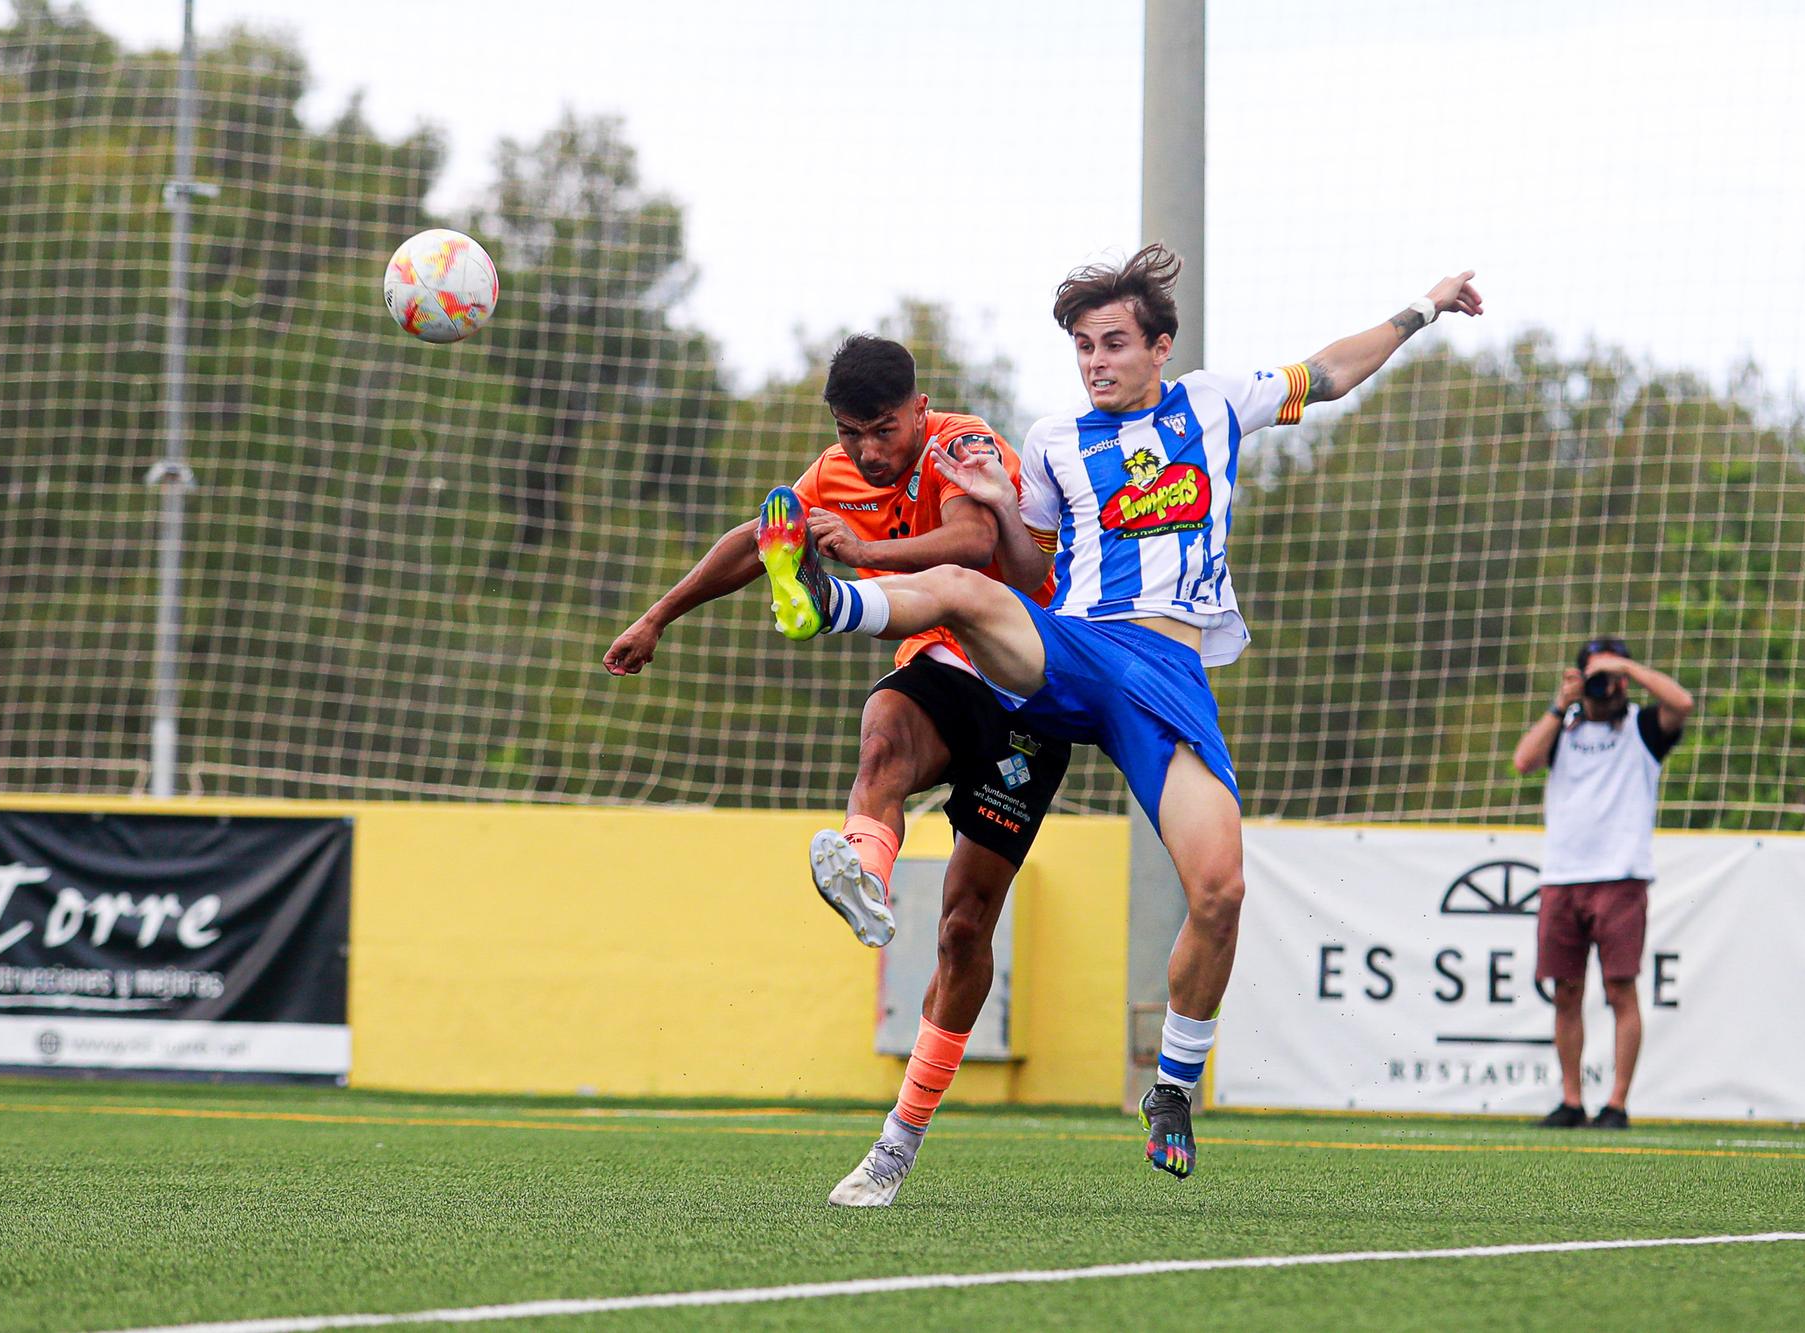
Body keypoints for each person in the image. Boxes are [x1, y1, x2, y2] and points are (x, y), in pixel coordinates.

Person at [756, 244, 1482, 1189]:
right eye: (1082, 349)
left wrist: (1422, 308)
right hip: (1075, 650)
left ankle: (1172, 1086)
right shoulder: (1057, 440)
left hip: (1167, 678)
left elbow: (1332, 372)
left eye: (1111, 344)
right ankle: (829, 606)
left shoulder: (1217, 403)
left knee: (1219, 891)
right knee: (965, 595)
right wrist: (996, 507)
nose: (1094, 362)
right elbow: (1022, 570)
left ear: (1159, 348)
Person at [604, 335, 1073, 1205]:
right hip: (938, 661)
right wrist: (658, 617)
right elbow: (759, 537)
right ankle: (864, 869)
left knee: (967, 930)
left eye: (882, 429)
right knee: (883, 735)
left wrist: (857, 552)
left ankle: (901, 1139)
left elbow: (977, 540)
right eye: (851, 431)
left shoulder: (962, 444)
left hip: (1024, 680)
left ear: (918, 407)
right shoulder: (835, 469)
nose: (866, 449)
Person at [1512, 637, 1693, 1130]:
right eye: (1596, 675)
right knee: (1565, 991)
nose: (1604, 686)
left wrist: (1628, 669)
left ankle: (1616, 1103)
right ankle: (1571, 1100)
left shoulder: (1642, 727)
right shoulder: (1563, 727)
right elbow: (1523, 761)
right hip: (1562, 878)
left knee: (1620, 989)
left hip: (1621, 877)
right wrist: (1561, 702)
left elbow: (1682, 703)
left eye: (1610, 677)